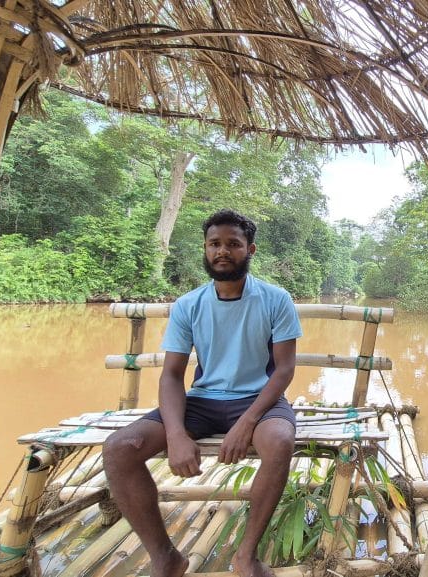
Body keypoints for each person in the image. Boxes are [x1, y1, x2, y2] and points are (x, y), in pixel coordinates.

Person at [103, 209, 301, 577]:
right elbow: (172, 375)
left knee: (280, 441)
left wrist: (247, 421)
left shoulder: (275, 300)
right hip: (202, 401)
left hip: (258, 400)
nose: (222, 251)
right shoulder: (189, 305)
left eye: (233, 244)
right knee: (119, 449)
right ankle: (166, 556)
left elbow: (285, 369)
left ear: (250, 249)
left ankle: (246, 555)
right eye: (214, 244)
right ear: (205, 249)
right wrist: (176, 434)